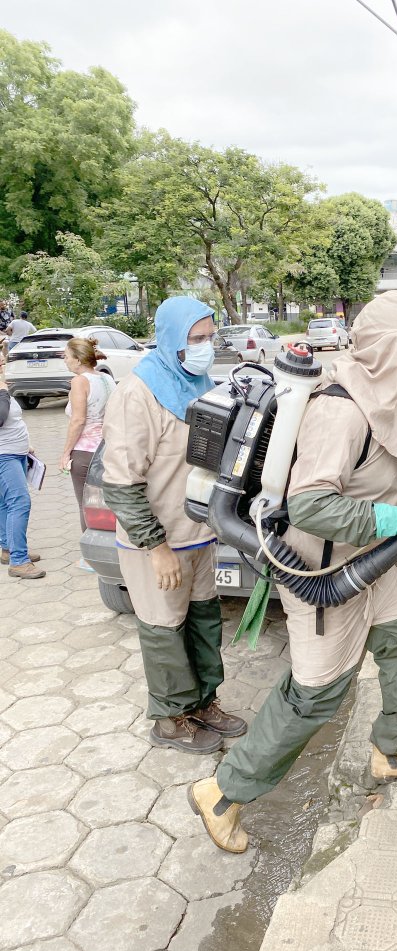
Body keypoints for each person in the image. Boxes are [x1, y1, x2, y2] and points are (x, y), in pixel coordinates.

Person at [189, 290, 397, 853]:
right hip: (322, 574)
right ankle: (222, 792)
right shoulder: (340, 409)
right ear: (389, 345)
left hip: (372, 559)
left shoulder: (395, 393)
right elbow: (311, 504)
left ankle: (392, 752)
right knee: (314, 696)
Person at [101, 297, 247, 754]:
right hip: (158, 544)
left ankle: (204, 702)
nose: (205, 348)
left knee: (203, 622)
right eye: (195, 339)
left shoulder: (200, 383)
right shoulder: (137, 393)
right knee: (165, 630)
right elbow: (122, 483)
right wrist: (156, 547)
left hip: (200, 534)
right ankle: (170, 718)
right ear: (169, 340)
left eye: (209, 337)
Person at [59, 338, 116, 565]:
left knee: (87, 504)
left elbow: (78, 419)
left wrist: (65, 453)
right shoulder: (107, 378)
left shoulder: (80, 382)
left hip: (84, 452)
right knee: (109, 502)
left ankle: (92, 558)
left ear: (78, 359)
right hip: (108, 449)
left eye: (66, 356)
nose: (64, 360)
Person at [0, 375, 44, 579]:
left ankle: (9, 549)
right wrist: (2, 391)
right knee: (19, 502)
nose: (3, 366)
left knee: (5, 503)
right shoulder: (1, 390)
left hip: (15, 453)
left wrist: (25, 446)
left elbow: (13, 420)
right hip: (4, 456)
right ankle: (18, 561)